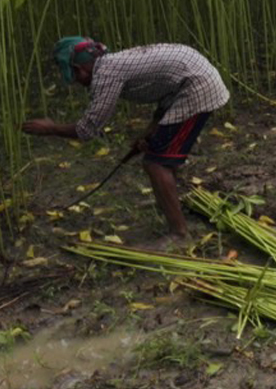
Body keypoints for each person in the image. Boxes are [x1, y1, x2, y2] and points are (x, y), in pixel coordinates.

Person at [22, 39, 230, 241]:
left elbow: (86, 130)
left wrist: (51, 128)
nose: (78, 82)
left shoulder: (106, 75)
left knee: (156, 164)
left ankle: (179, 233)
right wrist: (149, 132)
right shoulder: (113, 62)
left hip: (197, 89)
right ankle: (171, 203)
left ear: (79, 69)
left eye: (75, 76)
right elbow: (168, 86)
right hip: (189, 82)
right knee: (160, 154)